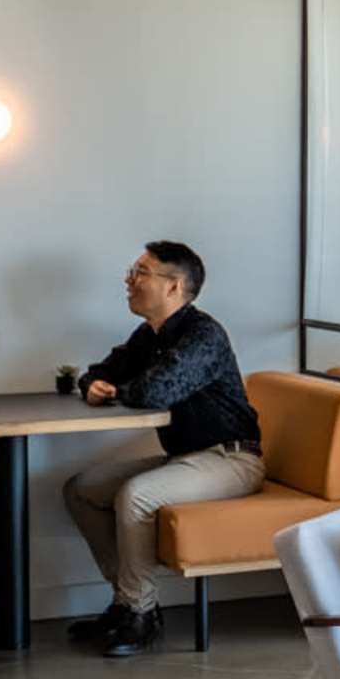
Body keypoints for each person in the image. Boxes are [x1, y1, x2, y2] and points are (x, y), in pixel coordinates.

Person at [60, 241, 264, 657]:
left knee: (136, 495)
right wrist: (91, 385)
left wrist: (115, 390)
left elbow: (157, 391)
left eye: (140, 272)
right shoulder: (148, 335)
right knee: (83, 488)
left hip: (232, 459)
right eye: (131, 271)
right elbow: (101, 371)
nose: (129, 280)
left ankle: (139, 612)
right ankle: (129, 600)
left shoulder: (203, 334)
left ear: (174, 286)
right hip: (187, 459)